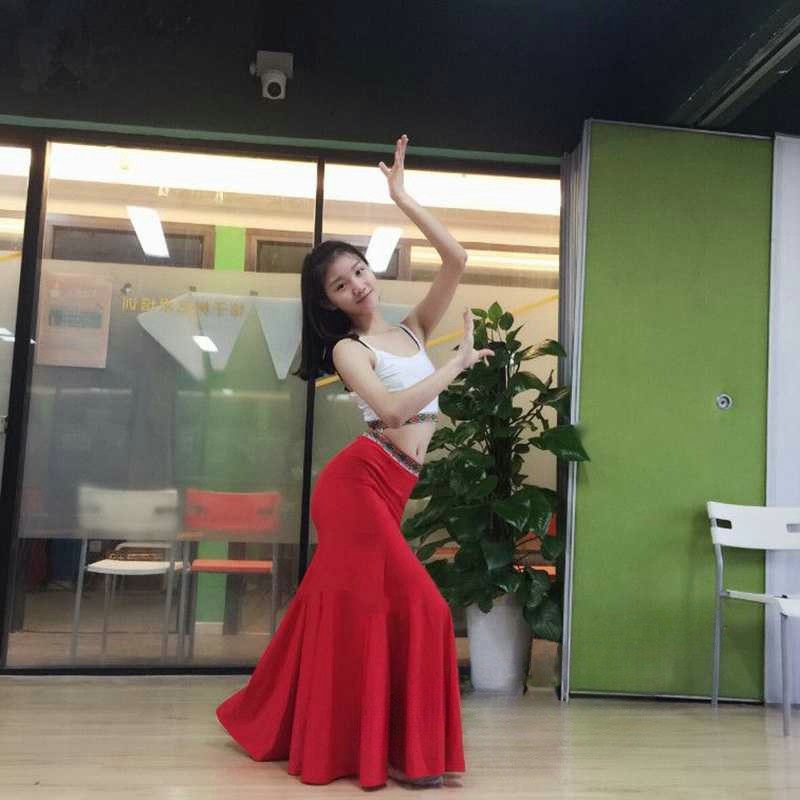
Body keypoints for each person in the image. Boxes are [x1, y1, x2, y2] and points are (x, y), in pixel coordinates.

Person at [216, 134, 492, 789]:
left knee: (347, 610)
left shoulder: (411, 330)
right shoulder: (349, 351)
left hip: (392, 488)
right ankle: (412, 758)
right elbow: (392, 413)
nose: (357, 286)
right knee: (425, 608)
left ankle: (313, 728)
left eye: (360, 271)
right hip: (357, 486)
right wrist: (454, 366)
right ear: (331, 303)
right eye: (341, 285)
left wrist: (402, 196)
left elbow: (456, 258)